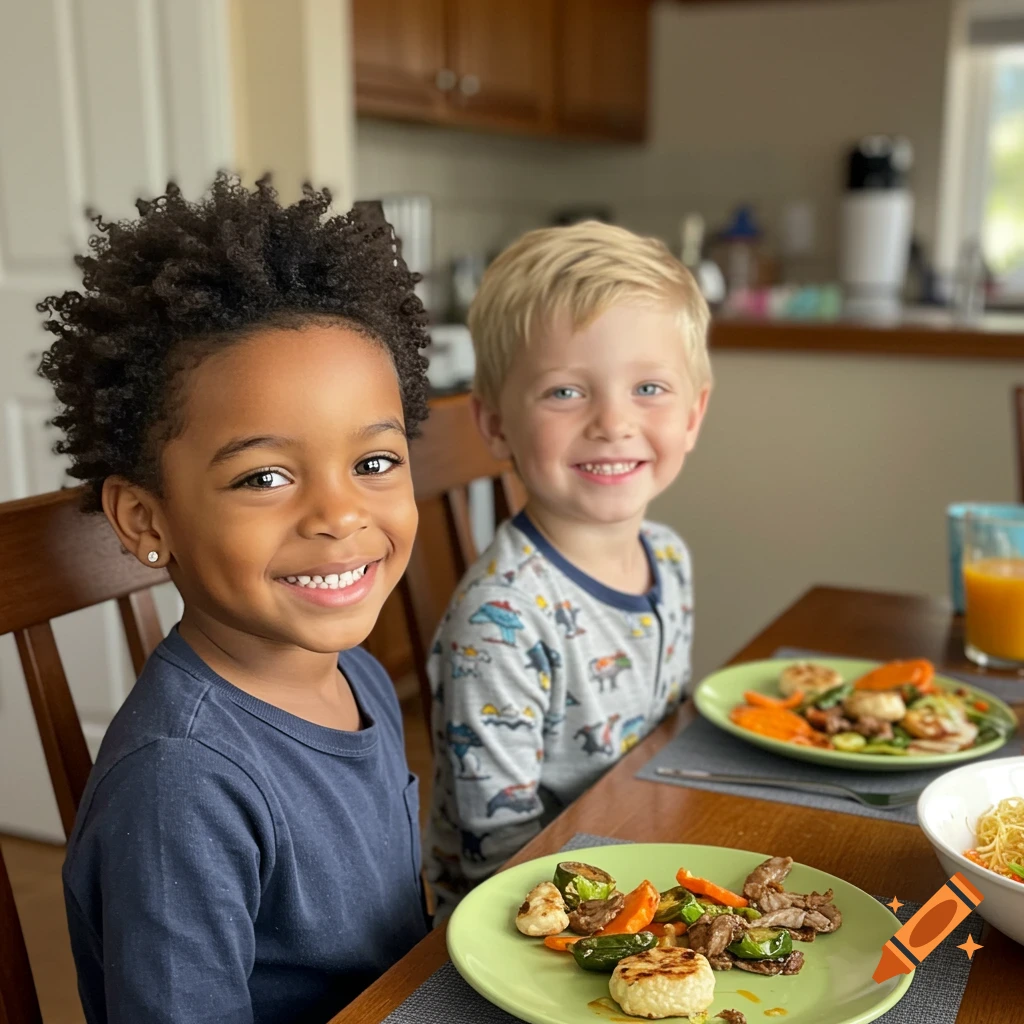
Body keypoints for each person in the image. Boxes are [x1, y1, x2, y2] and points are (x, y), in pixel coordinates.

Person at [40, 174, 431, 1024]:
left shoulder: (358, 677)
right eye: (265, 477)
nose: (338, 516)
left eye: (373, 463)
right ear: (147, 518)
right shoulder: (181, 786)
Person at [423, 221, 712, 918]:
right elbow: (499, 850)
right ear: (494, 425)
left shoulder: (668, 557)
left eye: (648, 387)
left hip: (642, 859)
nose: (613, 422)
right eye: (564, 393)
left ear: (694, 415)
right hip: (526, 918)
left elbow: (666, 741)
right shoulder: (502, 620)